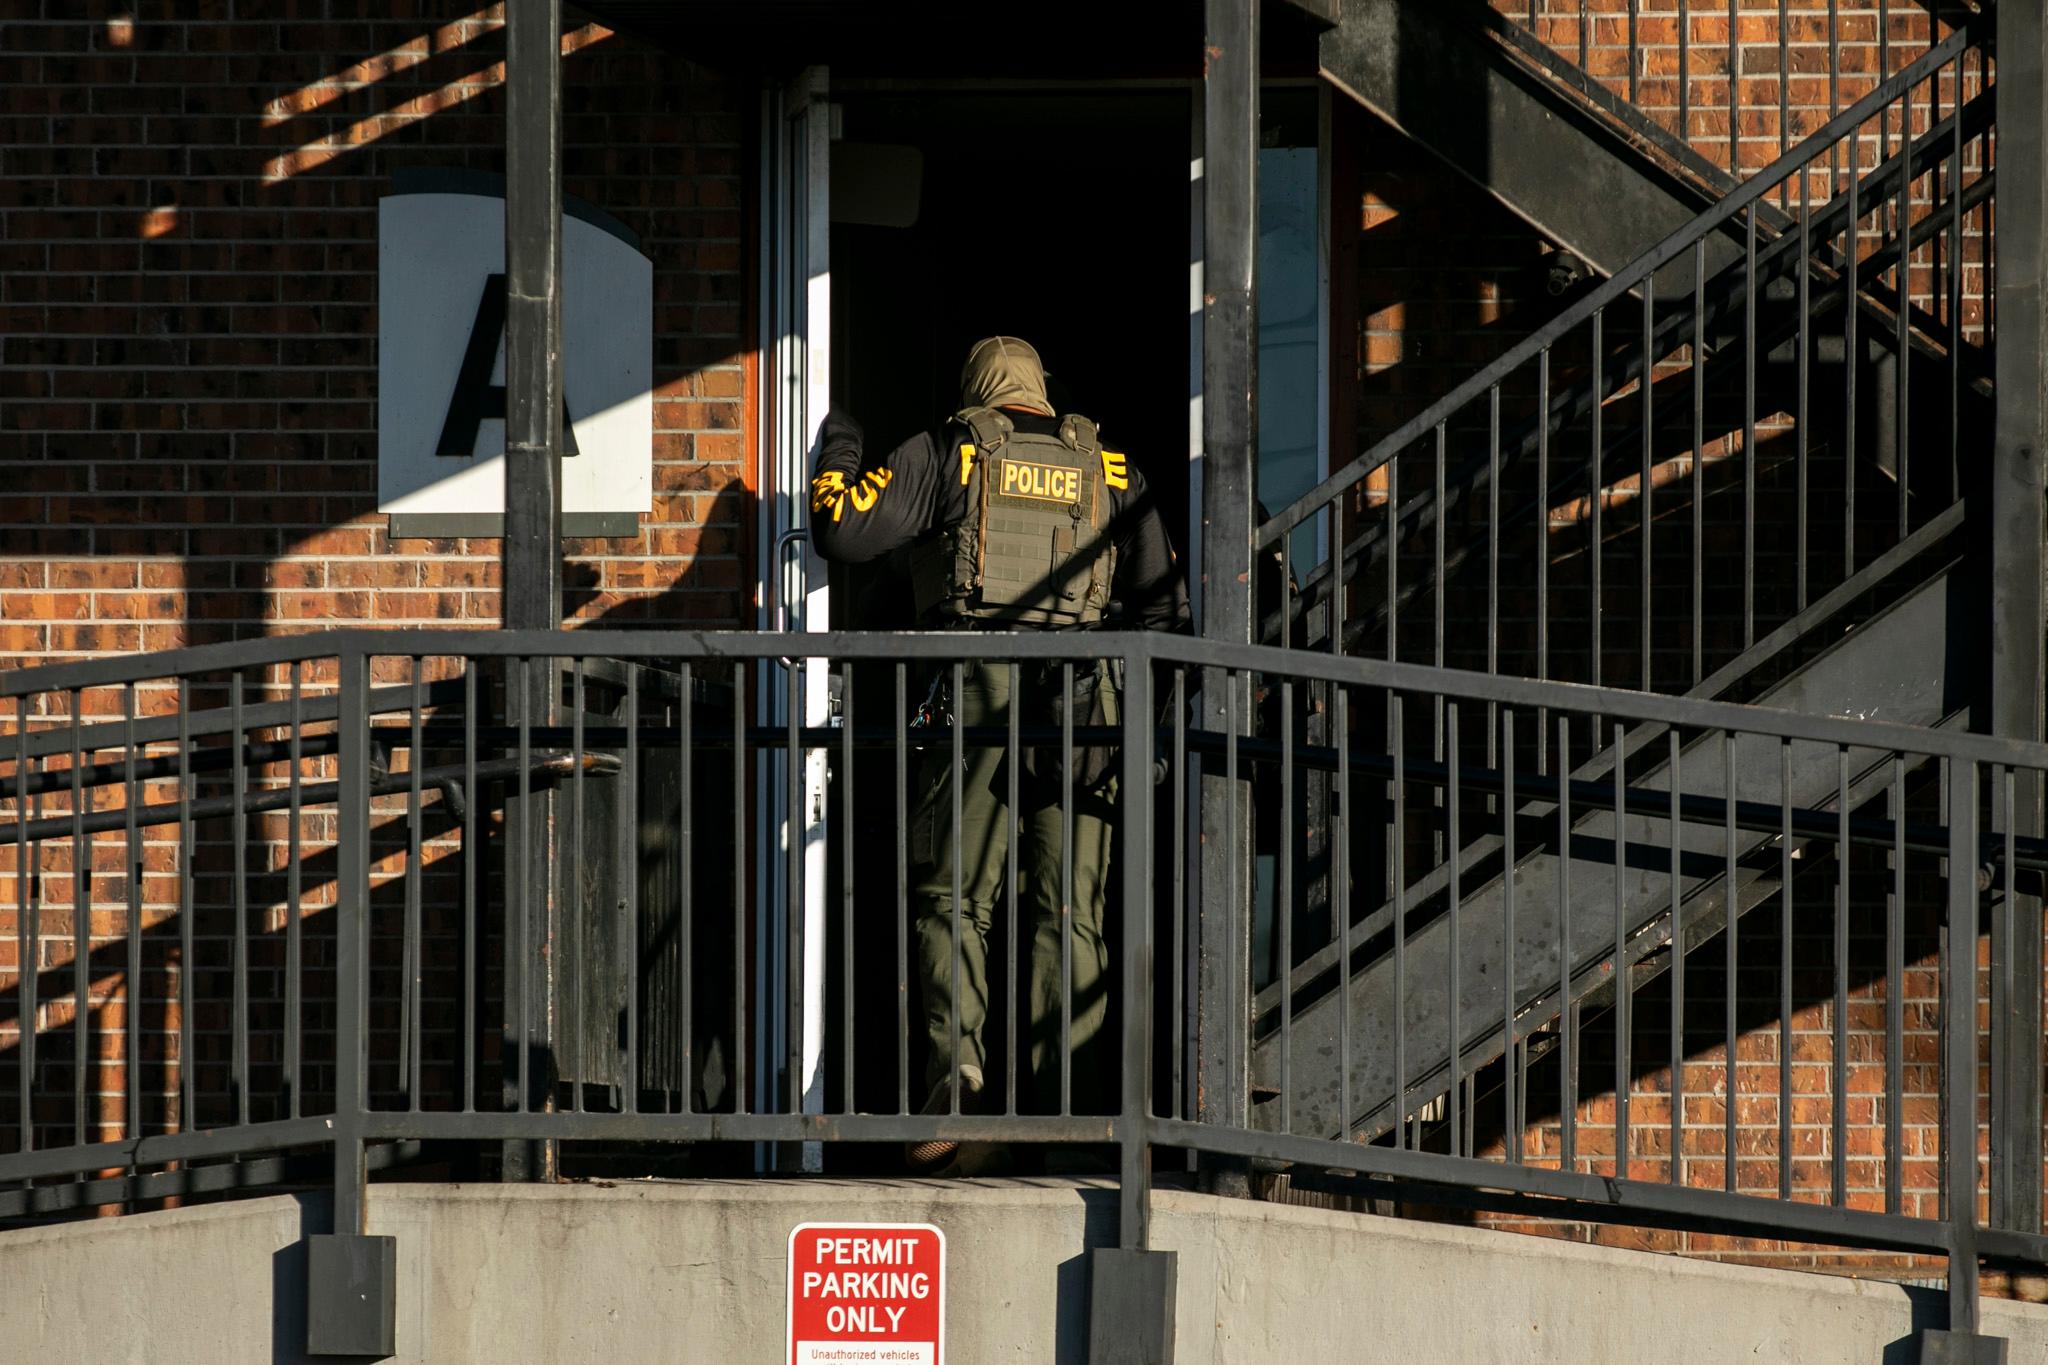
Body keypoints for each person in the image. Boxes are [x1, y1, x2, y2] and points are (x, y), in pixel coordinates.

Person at [810, 335, 1187, 1172]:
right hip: (1090, 699)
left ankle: (960, 1073)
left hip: (978, 689)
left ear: (976, 391)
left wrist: (838, 438)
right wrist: (1139, 731)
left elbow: (840, 527)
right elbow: (1164, 610)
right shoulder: (1111, 466)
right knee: (1071, 909)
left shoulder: (952, 451)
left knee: (950, 895)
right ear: (1043, 394)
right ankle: (1076, 1103)